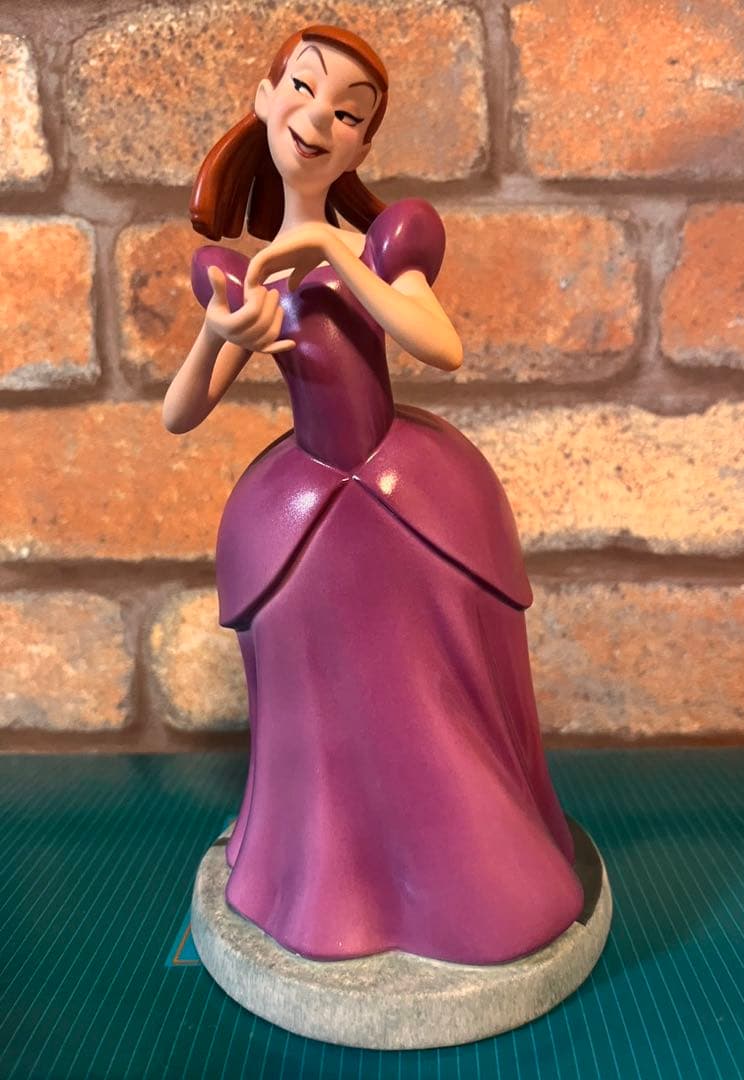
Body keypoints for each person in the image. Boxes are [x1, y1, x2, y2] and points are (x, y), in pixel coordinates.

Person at [163, 24, 584, 964]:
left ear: (361, 146)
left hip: (406, 493)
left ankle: (475, 886)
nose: (320, 119)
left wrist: (329, 247)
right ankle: (332, 882)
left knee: (425, 693)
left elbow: (441, 346)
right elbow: (179, 414)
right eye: (304, 89)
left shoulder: (387, 241)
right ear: (265, 97)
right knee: (323, 704)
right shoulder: (240, 272)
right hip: (304, 511)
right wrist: (221, 332)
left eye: (349, 114)